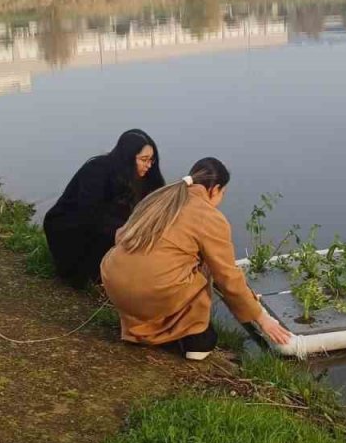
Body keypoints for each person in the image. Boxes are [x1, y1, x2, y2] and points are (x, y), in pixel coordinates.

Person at [101, 157, 292, 360]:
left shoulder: (159, 198)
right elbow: (227, 277)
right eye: (223, 194)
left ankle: (140, 329)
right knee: (208, 267)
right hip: (150, 292)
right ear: (215, 189)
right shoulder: (209, 216)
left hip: (116, 284)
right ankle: (193, 336)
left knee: (168, 264)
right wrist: (262, 318)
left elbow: (120, 235)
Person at [43, 129, 165, 288]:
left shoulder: (145, 179)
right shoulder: (96, 170)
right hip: (73, 230)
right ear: (127, 158)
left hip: (110, 230)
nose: (149, 165)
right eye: (144, 159)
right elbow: (89, 213)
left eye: (152, 160)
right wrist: (129, 230)